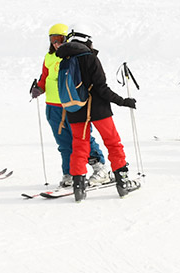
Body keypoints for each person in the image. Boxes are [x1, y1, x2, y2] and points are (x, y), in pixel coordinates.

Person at [54, 31, 138, 201]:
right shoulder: (90, 58)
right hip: (99, 109)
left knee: (79, 146)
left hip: (75, 110)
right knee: (113, 143)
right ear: (87, 42)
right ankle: (122, 182)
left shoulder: (64, 61)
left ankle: (78, 187)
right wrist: (123, 101)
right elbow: (102, 88)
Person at [30, 23, 110, 188]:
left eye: (59, 39)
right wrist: (38, 88)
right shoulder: (49, 57)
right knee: (64, 143)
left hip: (72, 105)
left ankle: (100, 168)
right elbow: (45, 78)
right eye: (52, 39)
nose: (55, 43)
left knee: (82, 139)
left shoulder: (73, 56)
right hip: (53, 107)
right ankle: (69, 174)